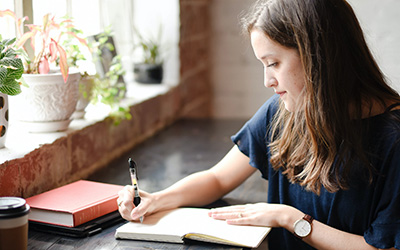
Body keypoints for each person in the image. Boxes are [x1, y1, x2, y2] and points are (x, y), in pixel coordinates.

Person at [118, 0, 400, 249]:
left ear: (318, 57)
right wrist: (158, 199)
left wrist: (290, 219)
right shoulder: (284, 111)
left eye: (274, 63)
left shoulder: (394, 138)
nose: (267, 81)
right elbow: (218, 178)